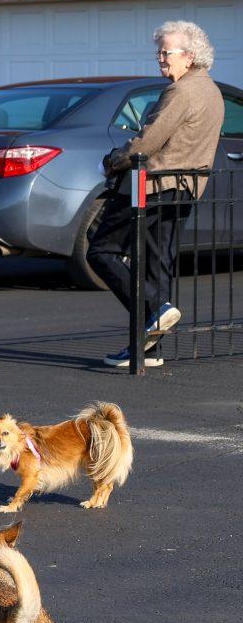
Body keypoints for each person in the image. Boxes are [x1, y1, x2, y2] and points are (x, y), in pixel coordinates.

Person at [91, 20, 224, 368]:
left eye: (166, 52)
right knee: (156, 265)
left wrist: (116, 159)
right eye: (159, 52)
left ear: (190, 56)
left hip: (153, 185)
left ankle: (155, 309)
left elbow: (149, 140)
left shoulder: (181, 91)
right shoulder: (211, 90)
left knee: (101, 250)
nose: (160, 58)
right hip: (185, 187)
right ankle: (148, 349)